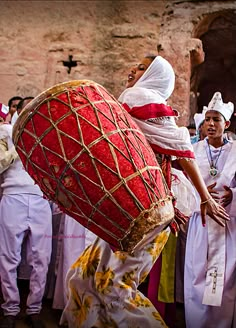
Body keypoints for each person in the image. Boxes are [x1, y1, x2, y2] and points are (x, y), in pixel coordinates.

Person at [59, 54, 229, 328]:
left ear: (154, 75)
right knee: (83, 276)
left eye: (140, 68)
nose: (131, 70)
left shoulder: (141, 98)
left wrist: (205, 197)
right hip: (130, 208)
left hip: (145, 211)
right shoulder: (140, 102)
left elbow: (183, 152)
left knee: (115, 287)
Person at [184, 92, 236, 328]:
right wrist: (201, 198)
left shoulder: (235, 151)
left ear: (227, 123)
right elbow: (183, 186)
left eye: (216, 119)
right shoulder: (192, 151)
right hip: (201, 223)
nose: (211, 124)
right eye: (207, 120)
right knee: (197, 276)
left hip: (227, 224)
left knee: (224, 282)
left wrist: (232, 195)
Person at [0, 109, 52, 328]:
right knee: (8, 257)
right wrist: (18, 146)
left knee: (41, 258)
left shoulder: (48, 137)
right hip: (12, 197)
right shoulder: (5, 132)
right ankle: (10, 309)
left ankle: (34, 309)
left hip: (41, 199)